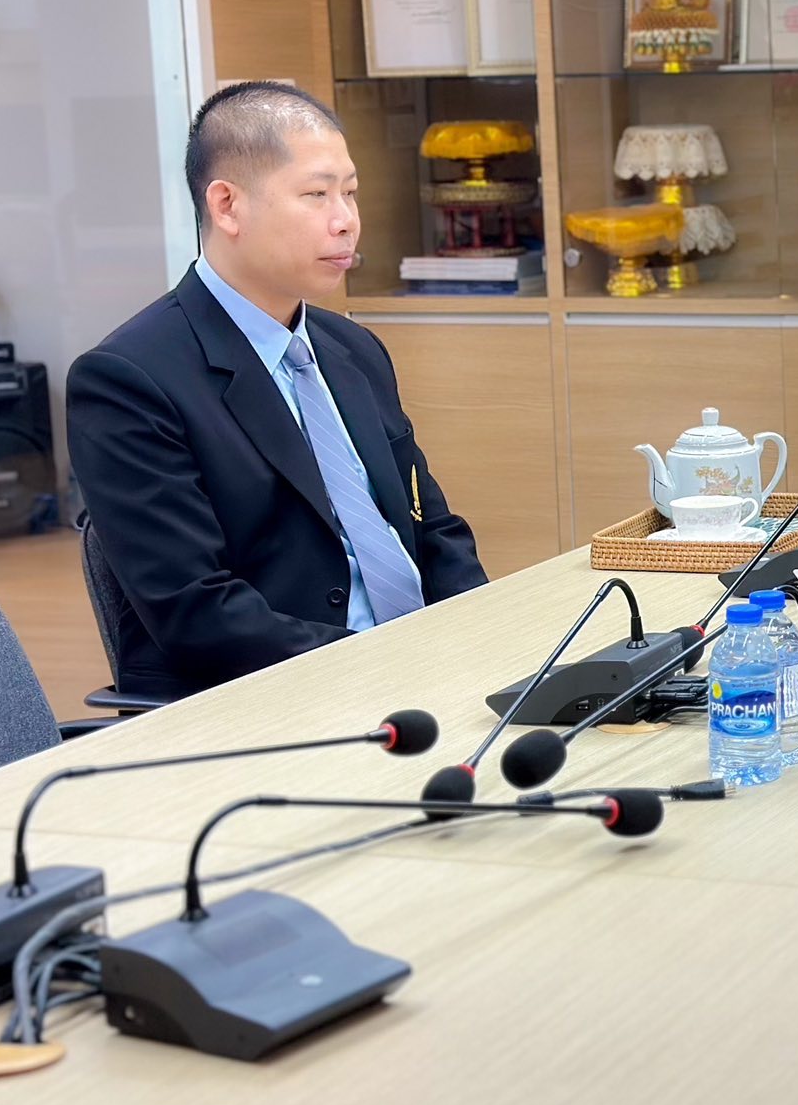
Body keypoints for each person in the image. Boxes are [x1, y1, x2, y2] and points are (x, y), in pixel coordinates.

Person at [68, 81, 487, 699]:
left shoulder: (353, 349)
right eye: (316, 195)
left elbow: (436, 531)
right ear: (227, 206)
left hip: (423, 674)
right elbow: (198, 612)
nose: (345, 221)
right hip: (280, 697)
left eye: (350, 193)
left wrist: (484, 635)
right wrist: (387, 665)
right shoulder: (126, 380)